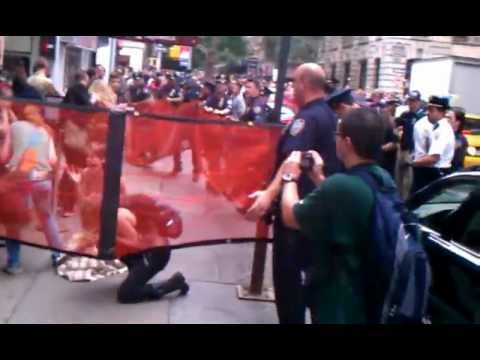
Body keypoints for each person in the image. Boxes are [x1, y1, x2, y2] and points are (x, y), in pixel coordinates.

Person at [246, 63, 341, 324]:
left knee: (288, 284)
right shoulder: (328, 115)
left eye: (293, 83)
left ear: (303, 83)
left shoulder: (307, 118)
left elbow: (293, 158)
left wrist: (269, 194)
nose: (290, 88)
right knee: (306, 282)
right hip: (315, 212)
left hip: (295, 214)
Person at [279, 108, 389, 323]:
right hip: (369, 295)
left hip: (341, 300)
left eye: (337, 135)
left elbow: (290, 216)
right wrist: (318, 176)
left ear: (347, 142)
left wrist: (290, 174)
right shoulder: (380, 178)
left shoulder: (342, 185)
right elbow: (344, 204)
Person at [1, 105, 63, 274]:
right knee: (47, 217)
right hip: (42, 181)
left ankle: (14, 264)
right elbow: (52, 160)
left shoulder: (14, 127)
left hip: (19, 181)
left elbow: (4, 156)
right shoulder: (46, 131)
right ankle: (58, 256)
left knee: (13, 223)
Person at [410, 96, 455, 194]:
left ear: (442, 112)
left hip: (435, 172)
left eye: (432, 110)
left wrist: (411, 163)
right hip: (427, 170)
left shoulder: (443, 130)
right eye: (428, 109)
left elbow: (433, 158)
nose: (428, 113)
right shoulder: (435, 127)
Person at [395, 90, 426, 199]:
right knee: (398, 178)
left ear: (418, 102)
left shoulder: (422, 117)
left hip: (413, 151)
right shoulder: (405, 115)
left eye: (414, 101)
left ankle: (406, 202)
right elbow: (396, 126)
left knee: (408, 181)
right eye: (410, 101)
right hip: (403, 148)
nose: (411, 104)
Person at [446, 107, 468, 171]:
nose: (446, 120)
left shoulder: (460, 140)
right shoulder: (443, 134)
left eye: (449, 118)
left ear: (457, 122)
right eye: (445, 117)